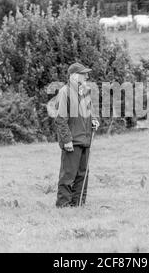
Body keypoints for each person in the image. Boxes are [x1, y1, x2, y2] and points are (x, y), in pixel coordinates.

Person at [55, 62, 99, 208]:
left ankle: (78, 204)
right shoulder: (64, 92)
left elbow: (90, 112)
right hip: (72, 141)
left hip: (85, 139)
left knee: (82, 174)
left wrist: (94, 120)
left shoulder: (85, 92)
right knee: (68, 175)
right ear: (74, 76)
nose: (87, 76)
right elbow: (61, 119)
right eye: (83, 74)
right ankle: (63, 205)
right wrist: (67, 140)